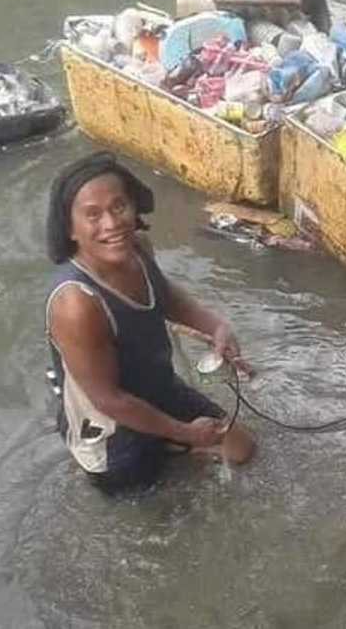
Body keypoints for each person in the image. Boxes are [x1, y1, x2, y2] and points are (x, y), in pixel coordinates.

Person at [44, 151, 255, 491]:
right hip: (112, 433)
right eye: (93, 215)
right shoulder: (76, 304)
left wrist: (216, 328)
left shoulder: (137, 247)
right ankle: (174, 448)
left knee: (242, 449)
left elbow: (167, 297)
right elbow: (108, 400)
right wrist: (187, 432)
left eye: (119, 206)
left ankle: (176, 448)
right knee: (168, 511)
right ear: (70, 228)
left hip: (157, 391)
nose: (112, 224)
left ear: (134, 206)